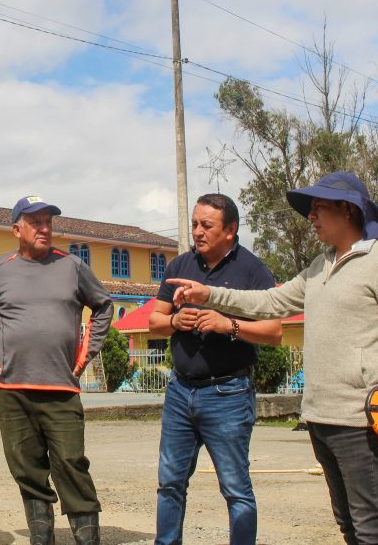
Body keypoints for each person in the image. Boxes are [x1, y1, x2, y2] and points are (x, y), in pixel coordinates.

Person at [167, 172, 378, 545]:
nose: (312, 217)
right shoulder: (321, 265)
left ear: (348, 210)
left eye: (319, 207)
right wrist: (209, 294)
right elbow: (270, 301)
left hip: (361, 420)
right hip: (321, 416)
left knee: (375, 528)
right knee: (348, 524)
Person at [0, 196, 113, 545]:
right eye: (35, 222)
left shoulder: (72, 266)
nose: (44, 228)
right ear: (17, 229)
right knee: (28, 470)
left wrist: (85, 355)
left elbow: (103, 306)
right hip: (14, 393)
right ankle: (42, 538)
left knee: (71, 464)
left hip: (61, 390)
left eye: (48, 222)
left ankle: (88, 539)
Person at [148, 193, 281, 545]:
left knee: (236, 488)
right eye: (195, 224)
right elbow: (154, 321)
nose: (197, 232)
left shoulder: (252, 269)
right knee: (170, 483)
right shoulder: (179, 267)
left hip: (228, 394)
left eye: (207, 225)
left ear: (230, 230)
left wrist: (228, 325)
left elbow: (274, 332)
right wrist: (175, 321)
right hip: (180, 391)